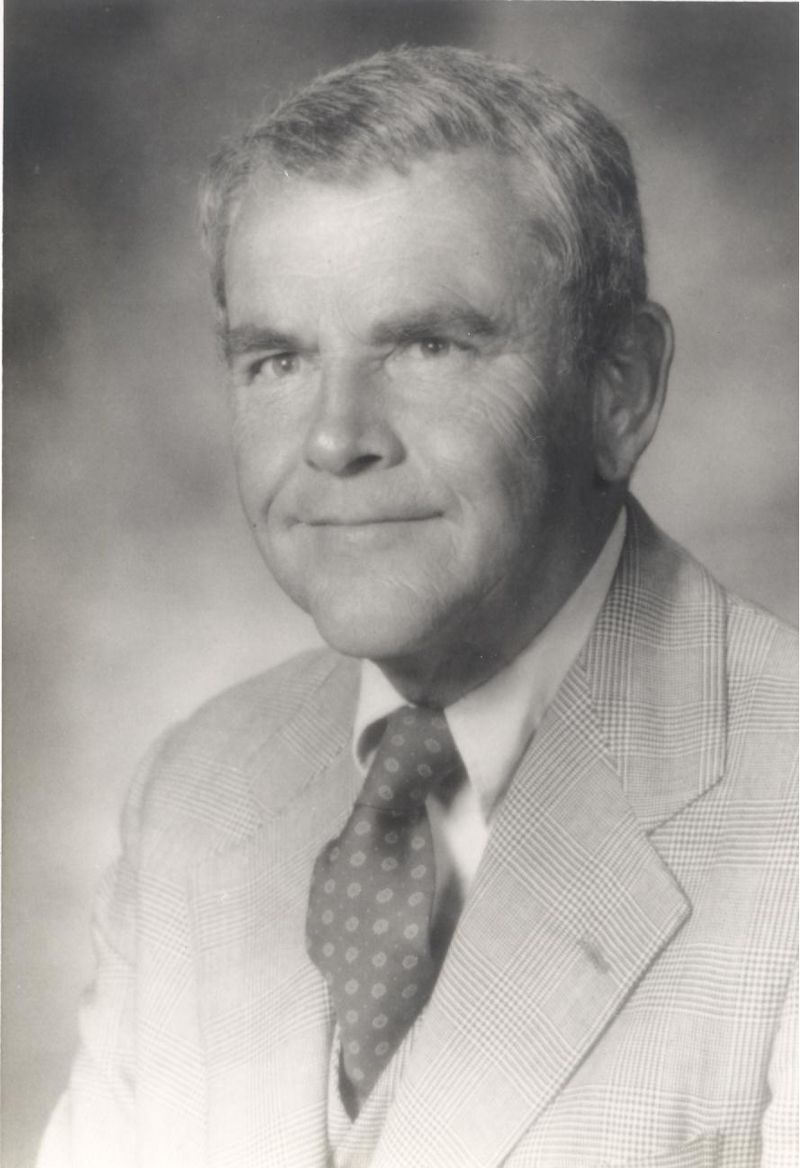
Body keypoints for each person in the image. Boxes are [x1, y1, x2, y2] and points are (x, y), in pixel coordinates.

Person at [38, 45, 796, 1168]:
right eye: (277, 360)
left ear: (619, 391)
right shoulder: (196, 796)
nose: (336, 439)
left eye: (428, 345)